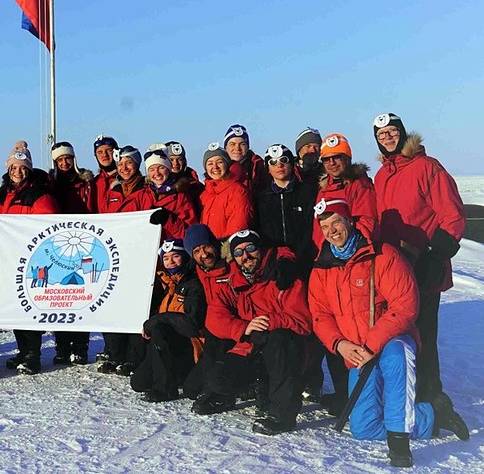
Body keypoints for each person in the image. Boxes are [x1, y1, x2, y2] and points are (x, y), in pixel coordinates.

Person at [309, 198, 469, 467]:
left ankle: (399, 440)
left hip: (393, 339)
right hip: (357, 351)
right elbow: (319, 315)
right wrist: (340, 345)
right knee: (363, 428)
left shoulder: (382, 254)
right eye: (325, 226)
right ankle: (432, 416)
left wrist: (372, 344)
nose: (332, 230)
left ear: (350, 221)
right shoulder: (322, 267)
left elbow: (406, 304)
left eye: (336, 222)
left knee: (397, 359)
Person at [373, 113, 467, 408]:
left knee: (423, 336)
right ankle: (401, 397)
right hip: (392, 269)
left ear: (402, 133)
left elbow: (453, 215)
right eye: (381, 134)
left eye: (391, 131)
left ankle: (430, 400)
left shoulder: (427, 167)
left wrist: (435, 255)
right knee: (394, 334)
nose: (387, 137)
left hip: (422, 265)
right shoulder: (381, 175)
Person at [193, 230, 310, 436]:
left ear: (260, 249)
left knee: (278, 339)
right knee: (218, 378)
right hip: (253, 347)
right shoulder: (233, 280)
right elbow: (215, 316)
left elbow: (303, 322)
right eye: (238, 252)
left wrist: (267, 322)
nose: (245, 256)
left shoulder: (283, 276)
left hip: (288, 351)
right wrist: (243, 328)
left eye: (250, 248)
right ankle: (250, 390)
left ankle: (281, 414)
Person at [0, 141, 60, 375]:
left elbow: (49, 228)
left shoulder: (40, 194)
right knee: (16, 307)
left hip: (34, 260)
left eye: (22, 168)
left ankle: (33, 354)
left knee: (31, 306)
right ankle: (22, 350)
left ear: (29, 170)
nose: (18, 172)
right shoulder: (3, 194)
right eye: (14, 168)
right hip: (10, 259)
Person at [129, 238, 206, 402]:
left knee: (160, 328)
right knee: (138, 383)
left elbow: (193, 325)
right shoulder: (164, 283)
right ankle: (172, 376)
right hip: (166, 346)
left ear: (185, 257)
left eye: (175, 256)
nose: (170, 262)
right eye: (166, 258)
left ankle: (165, 389)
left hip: (190, 344)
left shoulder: (194, 284)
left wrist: (159, 319)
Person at [96, 145, 148, 373]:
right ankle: (114, 352)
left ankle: (133, 356)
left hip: (139, 256)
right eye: (121, 164)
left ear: (137, 165)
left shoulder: (145, 191)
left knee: (135, 307)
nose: (125, 168)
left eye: (129, 163)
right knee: (113, 304)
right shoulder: (112, 192)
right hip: (115, 256)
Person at [47, 141, 94, 365]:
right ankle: (63, 345)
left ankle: (80, 345)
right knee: (60, 296)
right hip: (59, 244)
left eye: (68, 158)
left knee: (80, 294)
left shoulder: (86, 183)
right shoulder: (50, 184)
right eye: (60, 160)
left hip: (83, 242)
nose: (64, 163)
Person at [180, 224, 230, 400]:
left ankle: (222, 395)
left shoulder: (232, 264)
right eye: (196, 251)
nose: (204, 254)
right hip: (214, 330)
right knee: (191, 390)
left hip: (236, 331)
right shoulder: (201, 271)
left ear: (215, 244)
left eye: (206, 246)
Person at [255, 143, 319, 276]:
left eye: (283, 160)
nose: (279, 165)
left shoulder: (308, 193)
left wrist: (302, 255)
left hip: (305, 262)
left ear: (291, 163)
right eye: (273, 162)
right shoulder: (262, 199)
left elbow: (312, 229)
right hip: (274, 264)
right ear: (268, 169)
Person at [311, 133, 378, 250]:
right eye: (326, 159)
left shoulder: (359, 186)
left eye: (337, 157)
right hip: (325, 256)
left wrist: (341, 252)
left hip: (350, 254)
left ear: (347, 158)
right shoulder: (324, 189)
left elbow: (366, 225)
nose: (332, 163)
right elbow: (318, 229)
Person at [136, 146, 199, 239]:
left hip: (170, 249)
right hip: (147, 248)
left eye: (161, 168)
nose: (157, 173)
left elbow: (190, 232)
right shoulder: (141, 196)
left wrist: (168, 220)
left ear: (168, 169)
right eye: (152, 170)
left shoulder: (180, 197)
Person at [199, 143, 254, 241]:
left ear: (227, 164)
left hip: (227, 250)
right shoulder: (205, 194)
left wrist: (226, 248)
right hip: (210, 251)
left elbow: (239, 225)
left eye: (219, 162)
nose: (215, 167)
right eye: (210, 163)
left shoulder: (238, 191)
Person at [223, 124, 269, 197]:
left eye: (242, 144)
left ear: (247, 147)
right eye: (232, 144)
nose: (237, 148)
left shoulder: (257, 167)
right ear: (225, 147)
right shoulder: (218, 168)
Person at [165, 140, 204, 211]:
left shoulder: (196, 186)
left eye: (179, 159)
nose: (175, 163)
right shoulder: (156, 187)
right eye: (171, 159)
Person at [90, 134, 120, 214]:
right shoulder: (92, 184)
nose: (104, 155)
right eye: (100, 152)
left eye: (109, 150)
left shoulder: (128, 181)